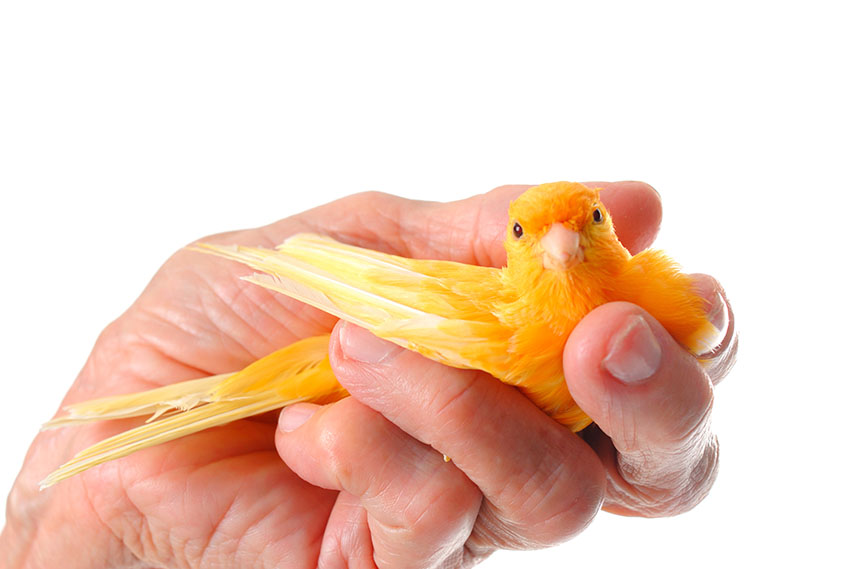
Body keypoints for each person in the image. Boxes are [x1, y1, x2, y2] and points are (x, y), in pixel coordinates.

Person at [0, 182, 736, 568]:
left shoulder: (659, 314)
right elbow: (401, 303)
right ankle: (99, 455)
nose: (561, 244)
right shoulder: (524, 327)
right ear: (514, 249)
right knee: (223, 391)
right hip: (341, 352)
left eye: (589, 222)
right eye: (529, 232)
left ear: (607, 228)